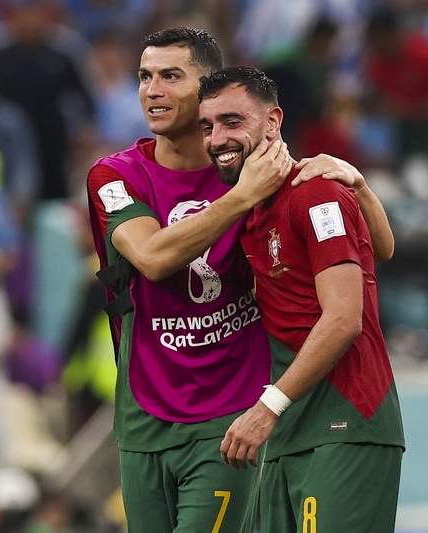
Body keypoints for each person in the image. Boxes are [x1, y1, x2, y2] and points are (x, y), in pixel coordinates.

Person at [86, 27, 394, 533]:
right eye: (144, 77)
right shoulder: (116, 176)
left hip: (232, 416)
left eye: (170, 76)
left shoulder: (255, 171)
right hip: (142, 417)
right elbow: (151, 256)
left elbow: (372, 254)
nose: (152, 90)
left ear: (209, 86)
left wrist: (355, 184)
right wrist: (242, 197)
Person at [198, 66, 404, 532]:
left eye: (232, 122)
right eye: (207, 126)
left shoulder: (314, 193)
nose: (216, 138)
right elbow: (382, 249)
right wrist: (363, 189)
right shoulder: (250, 210)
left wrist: (266, 407)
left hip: (346, 419)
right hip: (290, 429)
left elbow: (344, 319)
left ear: (273, 122)